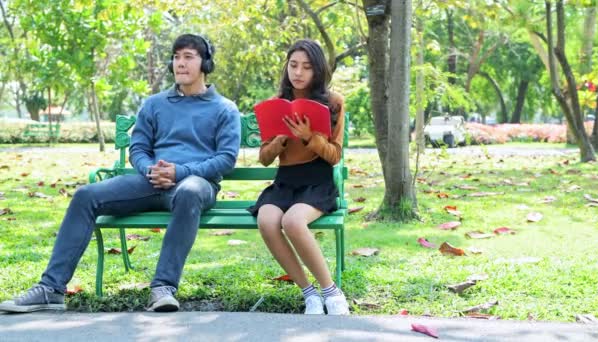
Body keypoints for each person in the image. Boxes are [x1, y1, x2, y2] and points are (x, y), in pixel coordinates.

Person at [0, 34, 241, 313]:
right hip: (151, 181)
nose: (180, 64)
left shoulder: (224, 108)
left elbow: (225, 158)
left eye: (188, 57)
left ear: (205, 63)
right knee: (86, 195)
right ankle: (51, 289)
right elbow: (138, 148)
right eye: (176, 57)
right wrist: (150, 170)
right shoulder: (154, 104)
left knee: (189, 191)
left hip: (195, 184)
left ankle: (163, 288)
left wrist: (181, 172)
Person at [248, 39, 349, 315]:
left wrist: (309, 138)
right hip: (285, 182)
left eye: (306, 67)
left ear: (317, 71)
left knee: (293, 221)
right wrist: (279, 141)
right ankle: (309, 293)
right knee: (267, 220)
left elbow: (334, 155)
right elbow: (265, 157)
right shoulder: (276, 104)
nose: (298, 72)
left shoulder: (333, 102)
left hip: (318, 181)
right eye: (293, 65)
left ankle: (330, 291)